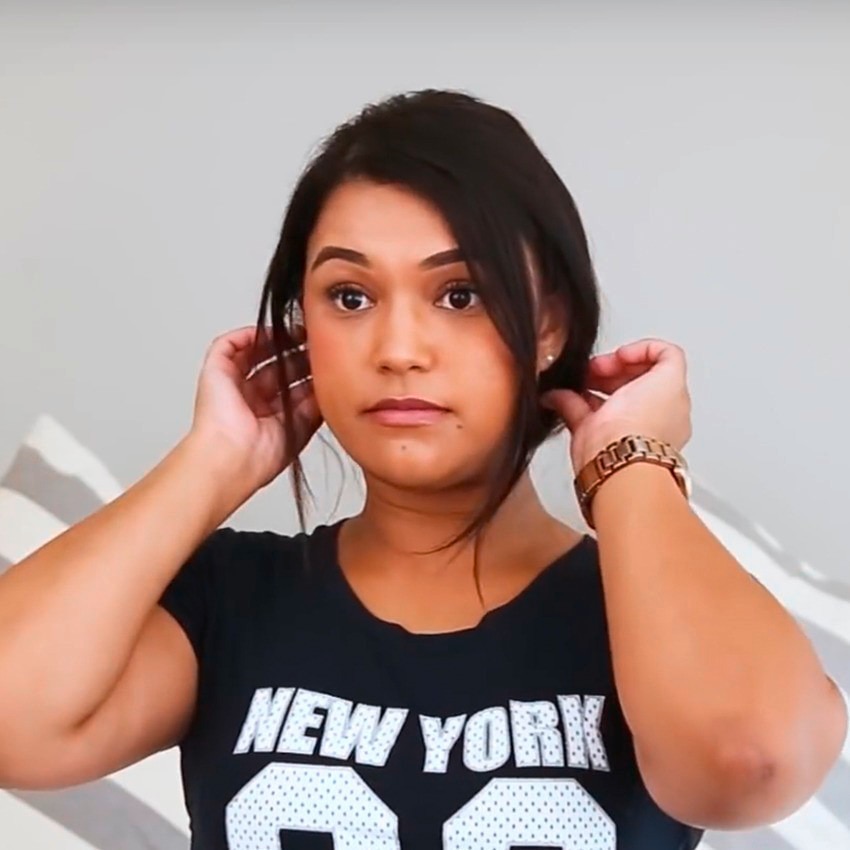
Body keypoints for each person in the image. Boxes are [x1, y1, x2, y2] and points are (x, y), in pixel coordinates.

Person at [0, 88, 845, 850]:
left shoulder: (645, 609)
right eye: (350, 297)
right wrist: (214, 461)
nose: (398, 349)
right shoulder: (229, 603)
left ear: (549, 326)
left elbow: (749, 761)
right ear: (304, 328)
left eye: (460, 295)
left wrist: (629, 467)